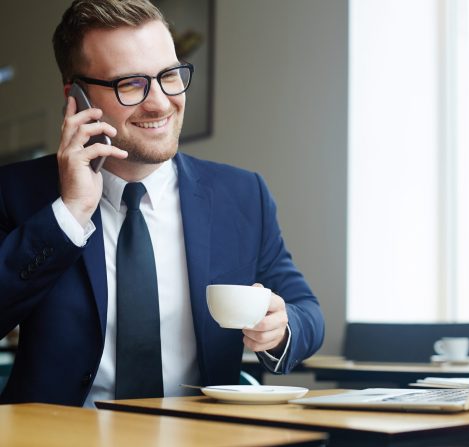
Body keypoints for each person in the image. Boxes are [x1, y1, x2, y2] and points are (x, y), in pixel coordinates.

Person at [0, 0, 324, 407]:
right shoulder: (18, 191)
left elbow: (307, 311)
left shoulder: (241, 195)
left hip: (201, 438)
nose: (159, 102)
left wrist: (281, 327)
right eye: (130, 83)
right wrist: (69, 212)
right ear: (76, 97)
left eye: (169, 75)